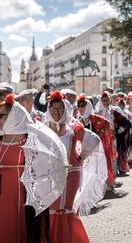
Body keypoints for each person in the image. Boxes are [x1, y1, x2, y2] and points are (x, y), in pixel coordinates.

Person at [0, 93, 67, 243]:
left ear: (14, 117)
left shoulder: (31, 142)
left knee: (19, 231)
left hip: (20, 197)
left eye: (2, 115)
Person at [44, 90, 102, 243]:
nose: (57, 112)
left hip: (71, 176)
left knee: (64, 209)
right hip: (49, 177)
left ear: (65, 109)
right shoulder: (42, 129)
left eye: (60, 108)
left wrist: (80, 158)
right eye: (54, 109)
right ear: (49, 110)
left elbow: (94, 140)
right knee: (51, 210)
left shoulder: (74, 129)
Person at [77, 95, 117, 188]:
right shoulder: (78, 119)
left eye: (83, 105)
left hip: (96, 149)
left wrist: (99, 135)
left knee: (97, 168)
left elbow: (106, 124)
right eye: (79, 106)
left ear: (88, 106)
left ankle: (100, 186)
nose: (80, 108)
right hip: (84, 149)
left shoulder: (94, 118)